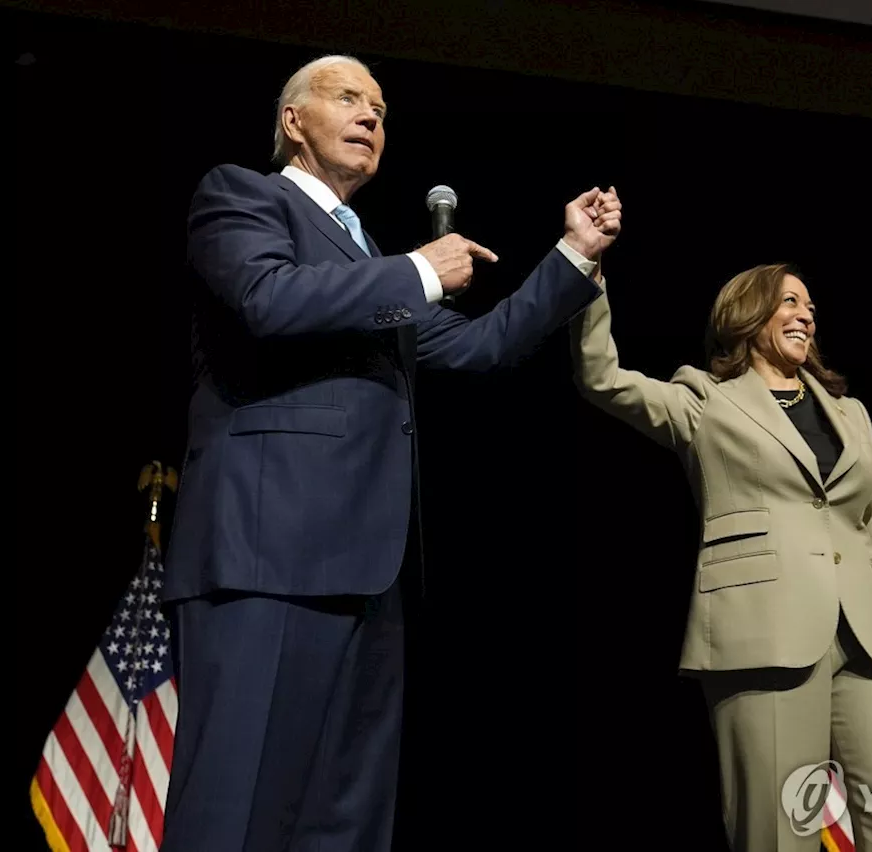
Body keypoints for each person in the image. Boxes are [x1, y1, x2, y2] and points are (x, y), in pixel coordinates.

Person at [159, 54, 622, 852]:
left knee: (344, 822)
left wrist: (573, 255)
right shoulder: (242, 194)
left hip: (372, 573)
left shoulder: (368, 255)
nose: (373, 115)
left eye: (380, 107)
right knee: (234, 813)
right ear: (293, 120)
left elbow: (481, 348)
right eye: (348, 99)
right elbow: (267, 300)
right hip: (266, 558)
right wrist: (414, 270)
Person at [569, 230, 872, 851]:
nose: (805, 314)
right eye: (789, 301)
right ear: (746, 314)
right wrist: (587, 266)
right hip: (765, 636)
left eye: (810, 305)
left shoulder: (852, 415)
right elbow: (602, 377)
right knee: (779, 835)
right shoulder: (704, 403)